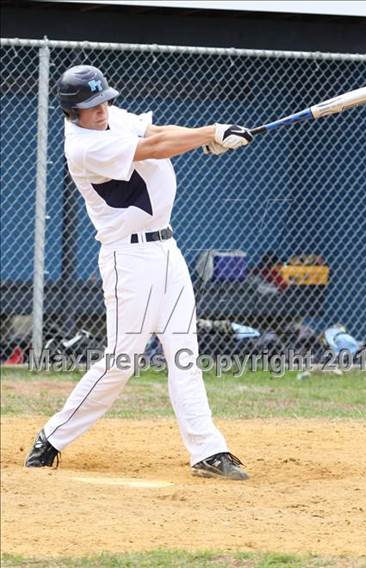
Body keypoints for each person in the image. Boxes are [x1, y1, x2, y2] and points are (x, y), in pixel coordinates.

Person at [25, 65, 253, 480]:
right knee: (122, 360)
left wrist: (207, 138)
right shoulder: (83, 147)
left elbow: (157, 131)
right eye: (92, 105)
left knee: (184, 353)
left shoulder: (111, 117)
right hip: (128, 260)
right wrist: (211, 132)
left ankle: (207, 450)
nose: (102, 109)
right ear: (72, 112)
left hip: (167, 250)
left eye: (104, 101)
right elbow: (155, 147)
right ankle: (52, 437)